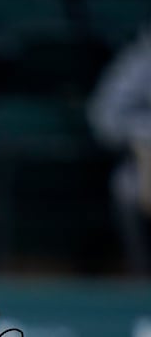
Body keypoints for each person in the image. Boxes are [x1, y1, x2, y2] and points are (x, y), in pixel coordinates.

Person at [87, 22, 151, 276]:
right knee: (127, 187)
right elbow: (105, 115)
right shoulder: (143, 59)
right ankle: (143, 280)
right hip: (146, 156)